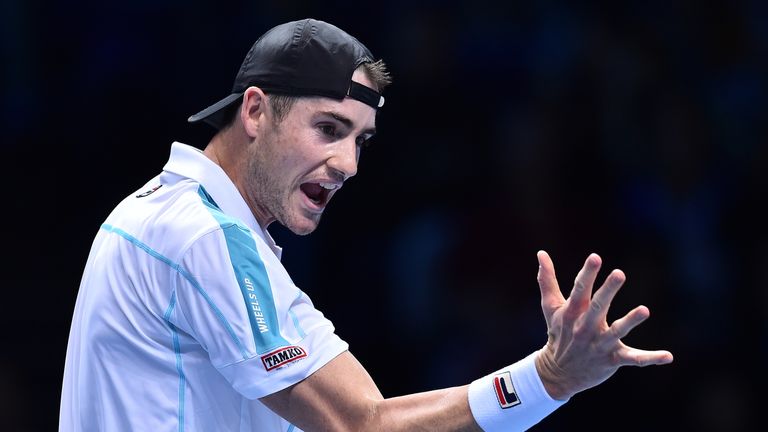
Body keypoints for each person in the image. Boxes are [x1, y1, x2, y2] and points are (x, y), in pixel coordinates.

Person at [59, 18, 673, 431]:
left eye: (362, 141)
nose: (349, 164)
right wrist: (546, 378)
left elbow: (369, 413)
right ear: (256, 110)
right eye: (328, 129)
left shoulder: (181, 218)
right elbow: (365, 425)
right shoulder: (201, 235)